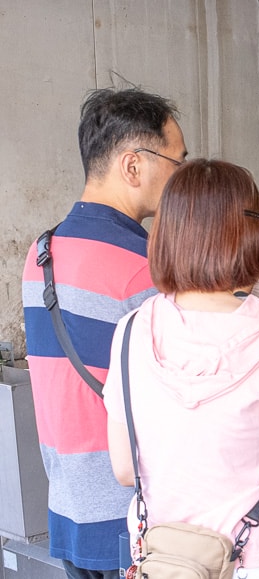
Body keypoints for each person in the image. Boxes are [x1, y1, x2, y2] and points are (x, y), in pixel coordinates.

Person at [103, 159, 259, 578]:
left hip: (166, 559)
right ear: (248, 233)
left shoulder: (132, 330)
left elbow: (125, 468)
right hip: (255, 558)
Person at [21, 87, 187, 579]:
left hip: (69, 505)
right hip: (134, 517)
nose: (180, 177)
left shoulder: (41, 253)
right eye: (176, 162)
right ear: (133, 165)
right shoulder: (145, 267)